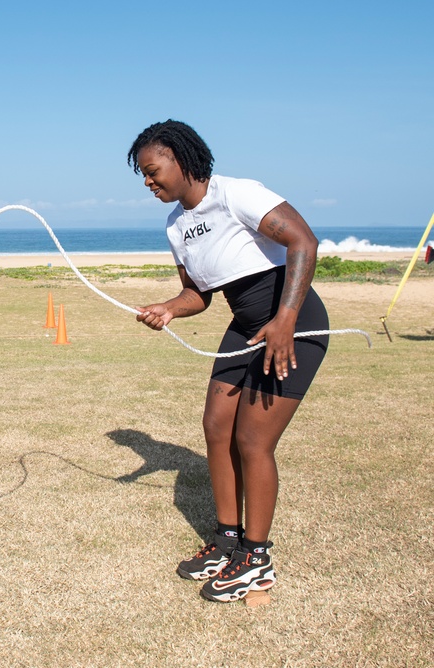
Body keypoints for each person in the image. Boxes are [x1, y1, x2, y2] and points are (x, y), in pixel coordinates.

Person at [126, 119, 329, 603]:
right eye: (144, 177)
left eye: (154, 171)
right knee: (217, 429)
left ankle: (256, 561)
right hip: (244, 326)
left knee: (251, 440)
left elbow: (304, 241)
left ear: (180, 157)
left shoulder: (237, 194)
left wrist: (285, 319)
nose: (149, 182)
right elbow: (198, 295)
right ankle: (227, 543)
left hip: (292, 323)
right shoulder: (176, 224)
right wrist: (169, 309)